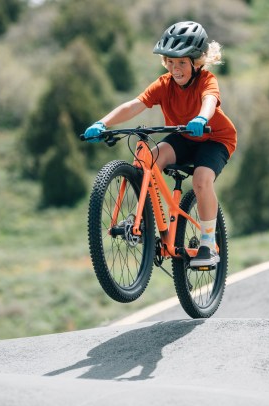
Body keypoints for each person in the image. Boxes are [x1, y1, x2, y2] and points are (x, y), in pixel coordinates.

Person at [84, 21, 237, 268]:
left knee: (201, 180)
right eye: (170, 62)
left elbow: (209, 101)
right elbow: (134, 105)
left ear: (197, 62)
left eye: (182, 63)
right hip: (183, 136)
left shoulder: (206, 81)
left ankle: (208, 244)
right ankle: (141, 219)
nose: (175, 69)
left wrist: (201, 118)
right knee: (148, 159)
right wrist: (103, 123)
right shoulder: (164, 85)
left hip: (214, 138)